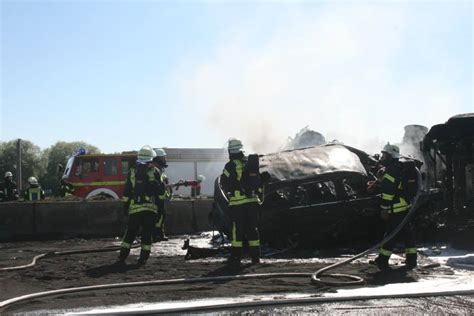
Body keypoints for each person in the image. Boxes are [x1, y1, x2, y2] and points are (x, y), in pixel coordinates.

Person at [370, 143, 417, 270]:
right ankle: (412, 259)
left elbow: (388, 193)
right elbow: (396, 185)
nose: (382, 157)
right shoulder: (397, 167)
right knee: (407, 233)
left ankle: (382, 260)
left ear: (390, 156)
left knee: (390, 235)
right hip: (404, 205)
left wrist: (384, 209)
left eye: (384, 155)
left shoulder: (391, 170)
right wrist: (379, 182)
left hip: (395, 207)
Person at [220, 138, 261, 267]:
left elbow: (224, 183)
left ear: (230, 151)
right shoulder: (249, 163)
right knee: (252, 229)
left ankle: (236, 257)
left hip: (238, 204)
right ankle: (255, 258)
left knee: (237, 230)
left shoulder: (230, 165)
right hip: (253, 202)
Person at [117, 145, 160, 265]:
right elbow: (159, 191)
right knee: (147, 233)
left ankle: (122, 256)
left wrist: (125, 206)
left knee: (130, 232)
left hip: (135, 208)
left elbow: (126, 191)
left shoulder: (132, 171)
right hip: (150, 209)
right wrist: (159, 209)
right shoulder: (155, 171)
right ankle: (143, 258)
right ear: (151, 157)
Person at [151, 148, 171, 242]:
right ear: (158, 158)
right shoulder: (154, 170)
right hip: (155, 200)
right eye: (163, 157)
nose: (165, 160)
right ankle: (156, 235)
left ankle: (160, 234)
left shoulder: (160, 170)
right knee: (157, 217)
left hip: (161, 199)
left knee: (161, 216)